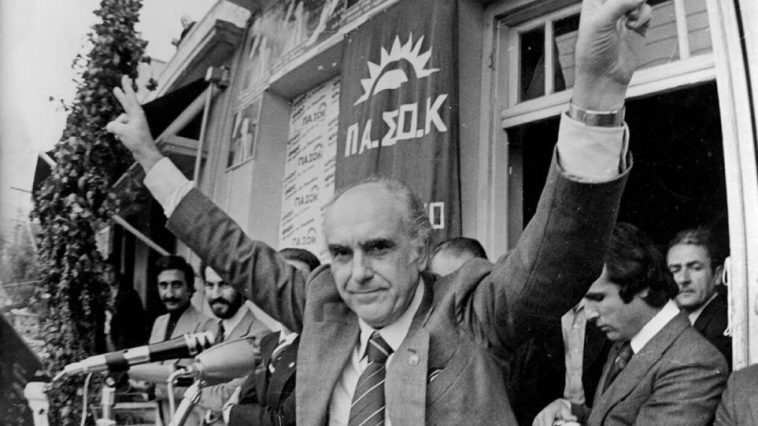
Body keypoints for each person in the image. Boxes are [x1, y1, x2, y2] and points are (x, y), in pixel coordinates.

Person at [107, 0, 651, 422]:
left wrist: (597, 90)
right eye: (340, 253)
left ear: (420, 248)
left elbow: (560, 254)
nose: (357, 273)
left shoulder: (471, 312)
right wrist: (151, 158)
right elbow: (235, 252)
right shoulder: (324, 304)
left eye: (378, 247)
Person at [534, 223, 728, 426]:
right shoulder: (624, 344)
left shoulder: (693, 364)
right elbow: (615, 417)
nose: (588, 314)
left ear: (642, 286)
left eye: (597, 298)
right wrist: (572, 411)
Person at [224, 248, 322, 426]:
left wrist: (232, 413)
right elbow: (246, 399)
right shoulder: (267, 343)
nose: (287, 292)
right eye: (279, 282)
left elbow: (285, 420)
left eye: (298, 283)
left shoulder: (319, 347)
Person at [128, 255, 214, 425]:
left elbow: (203, 384)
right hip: (162, 418)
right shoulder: (159, 323)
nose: (169, 293)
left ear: (190, 288)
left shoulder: (208, 327)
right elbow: (153, 370)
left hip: (192, 420)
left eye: (176, 285)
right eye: (163, 285)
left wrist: (154, 387)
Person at [196, 264, 273, 424]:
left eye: (224, 284)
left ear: (243, 288)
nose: (215, 294)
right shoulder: (213, 330)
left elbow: (226, 396)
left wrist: (187, 388)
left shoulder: (260, 335)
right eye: (210, 285)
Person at [667, 227, 731, 368]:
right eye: (675, 270)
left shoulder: (722, 328)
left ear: (718, 275)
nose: (683, 279)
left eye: (695, 268)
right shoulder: (679, 322)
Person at [102, 258, 149, 351]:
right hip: (107, 338)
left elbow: (139, 322)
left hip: (124, 342)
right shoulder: (103, 294)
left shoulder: (129, 294)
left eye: (111, 271)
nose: (108, 275)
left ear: (117, 272)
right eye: (105, 272)